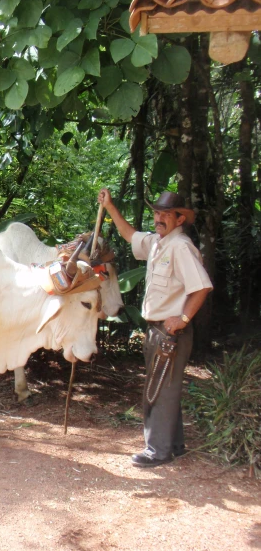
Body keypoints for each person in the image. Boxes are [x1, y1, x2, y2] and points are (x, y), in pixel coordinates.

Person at [98, 189, 213, 468]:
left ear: (179, 218)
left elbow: (202, 287)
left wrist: (182, 320)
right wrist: (110, 206)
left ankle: (157, 451)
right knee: (165, 388)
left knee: (160, 390)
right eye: (157, 213)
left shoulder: (180, 247)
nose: (159, 218)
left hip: (171, 331)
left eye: (166, 214)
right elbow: (130, 236)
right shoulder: (158, 243)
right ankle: (173, 445)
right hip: (158, 331)